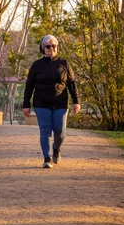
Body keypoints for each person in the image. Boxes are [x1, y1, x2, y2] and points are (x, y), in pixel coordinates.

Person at [23, 35, 81, 168]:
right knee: (45, 130)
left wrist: (76, 101)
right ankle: (46, 157)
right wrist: (26, 104)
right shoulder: (37, 65)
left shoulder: (64, 64)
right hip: (41, 103)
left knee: (60, 131)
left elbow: (72, 84)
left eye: (53, 46)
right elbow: (29, 86)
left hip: (60, 102)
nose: (51, 49)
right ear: (42, 49)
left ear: (57, 48)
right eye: (48, 46)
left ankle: (56, 148)